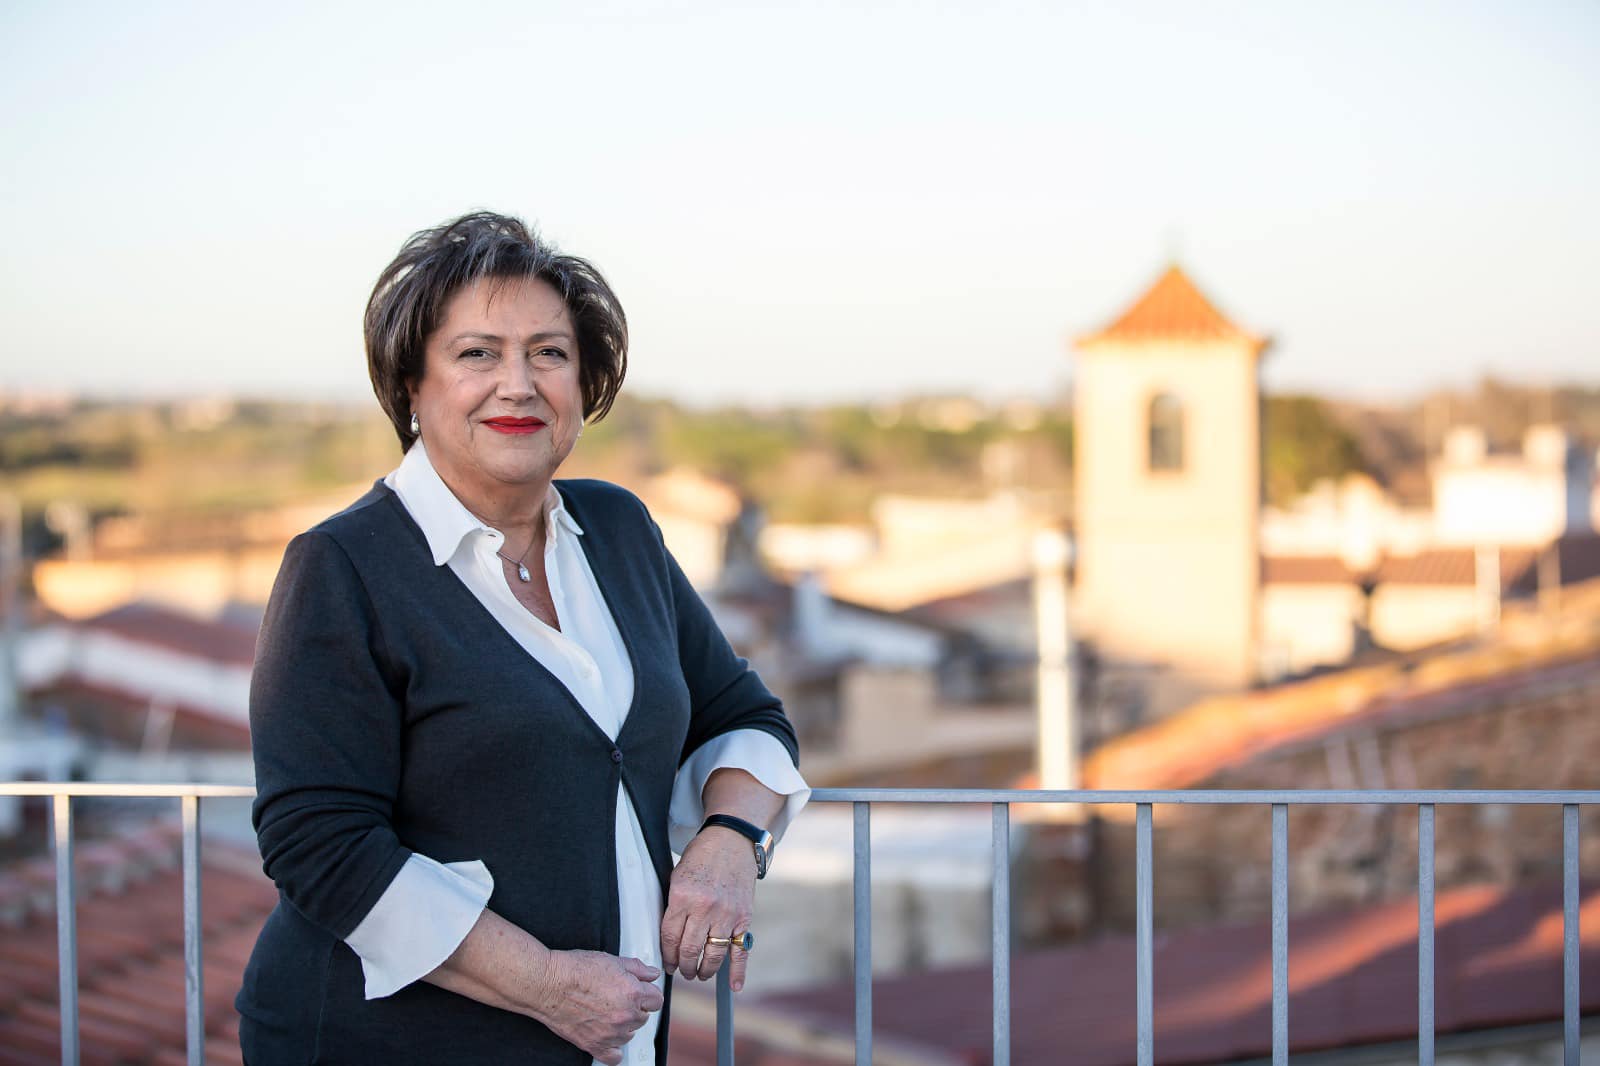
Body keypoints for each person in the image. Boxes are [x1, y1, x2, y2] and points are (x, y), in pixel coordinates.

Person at [236, 211, 808, 1066]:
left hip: (610, 1038)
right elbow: (318, 842)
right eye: (477, 354)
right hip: (384, 1043)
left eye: (550, 353)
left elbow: (745, 715)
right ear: (411, 388)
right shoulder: (342, 566)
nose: (519, 384)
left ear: (585, 383)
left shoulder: (619, 530)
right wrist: (547, 985)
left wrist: (730, 845)